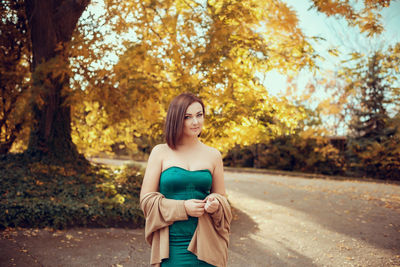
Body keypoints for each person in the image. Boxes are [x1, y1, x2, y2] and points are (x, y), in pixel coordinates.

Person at [140, 92, 232, 267]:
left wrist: (215, 203)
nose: (196, 122)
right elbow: (146, 201)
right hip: (172, 244)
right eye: (188, 117)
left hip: (207, 243)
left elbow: (222, 199)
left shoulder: (213, 155)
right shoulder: (160, 152)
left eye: (199, 115)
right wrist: (183, 208)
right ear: (176, 119)